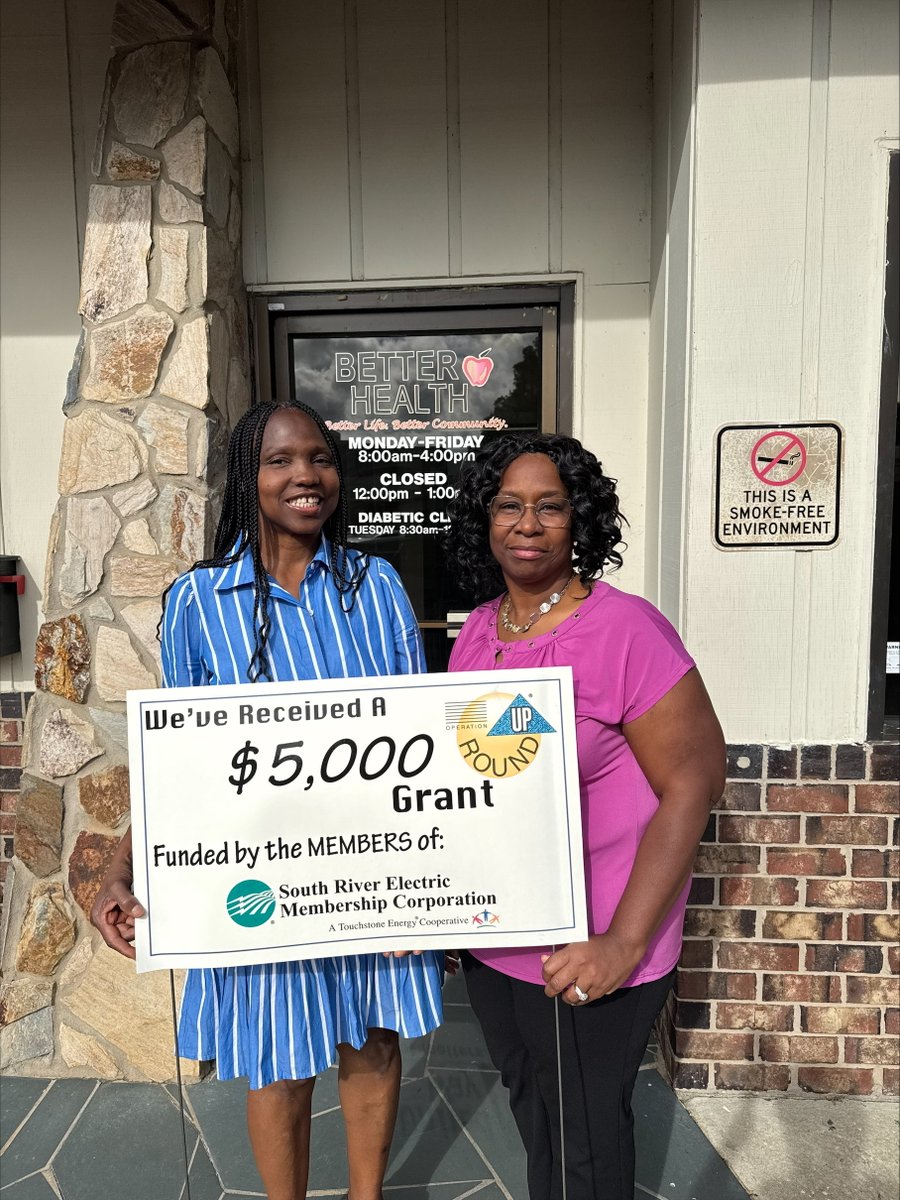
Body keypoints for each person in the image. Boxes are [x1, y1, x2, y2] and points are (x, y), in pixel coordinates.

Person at [91, 399, 444, 1200]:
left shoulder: (375, 586)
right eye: (281, 460)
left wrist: (432, 881)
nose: (305, 476)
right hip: (260, 876)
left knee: (372, 1041)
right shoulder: (198, 602)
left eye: (319, 458)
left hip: (369, 866)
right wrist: (124, 866)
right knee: (277, 1058)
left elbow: (417, 743)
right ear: (250, 477)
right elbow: (178, 762)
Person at [443, 432, 725, 1200]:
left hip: (593, 939)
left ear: (582, 521)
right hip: (500, 943)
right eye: (508, 505)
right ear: (485, 519)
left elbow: (695, 780)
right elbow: (473, 784)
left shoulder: (625, 628)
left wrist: (621, 943)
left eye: (550, 507)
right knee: (538, 1113)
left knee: (588, 1143)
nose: (527, 524)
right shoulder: (479, 631)